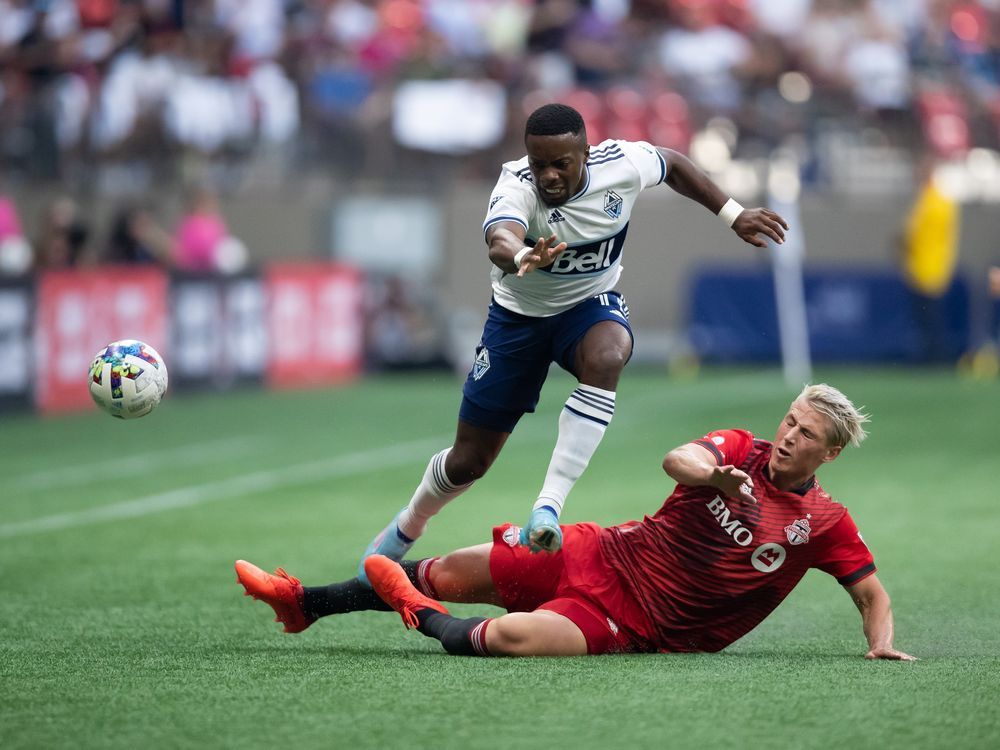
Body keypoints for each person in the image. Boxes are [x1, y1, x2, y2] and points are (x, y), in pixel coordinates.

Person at [355, 102, 788, 581]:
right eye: (539, 163)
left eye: (561, 163)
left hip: (589, 305)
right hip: (518, 320)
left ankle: (548, 507)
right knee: (469, 461)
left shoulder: (621, 164)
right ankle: (406, 527)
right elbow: (500, 237)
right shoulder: (515, 184)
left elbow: (676, 165)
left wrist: (732, 214)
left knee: (608, 355)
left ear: (586, 152)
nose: (549, 176)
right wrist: (521, 254)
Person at [237, 383, 914, 660]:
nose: (789, 436)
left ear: (830, 453)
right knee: (450, 570)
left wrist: (879, 641)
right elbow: (676, 459)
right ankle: (306, 605)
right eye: (790, 420)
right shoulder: (739, 447)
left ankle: (418, 611)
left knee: (507, 637)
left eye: (807, 434)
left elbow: (871, 593)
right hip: (607, 554)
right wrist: (714, 475)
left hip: (645, 624)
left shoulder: (823, 521)